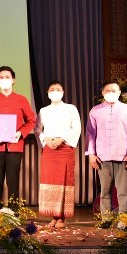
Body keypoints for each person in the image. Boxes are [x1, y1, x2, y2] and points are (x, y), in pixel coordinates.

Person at [86, 80, 127, 221]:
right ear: (102, 93)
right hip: (102, 157)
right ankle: (106, 220)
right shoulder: (95, 111)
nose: (110, 93)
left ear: (119, 93)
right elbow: (90, 133)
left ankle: (124, 221)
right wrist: (91, 154)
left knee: (123, 192)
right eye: (107, 91)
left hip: (124, 157)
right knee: (105, 192)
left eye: (113, 91)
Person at [0, 66, 36, 203]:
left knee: (13, 182)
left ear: (13, 80)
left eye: (7, 77)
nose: (4, 79)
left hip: (15, 146)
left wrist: (20, 133)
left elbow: (31, 120)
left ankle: (13, 211)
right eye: (1, 77)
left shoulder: (21, 99)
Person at [36, 81, 81, 229]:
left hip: (64, 147)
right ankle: (54, 216)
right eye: (52, 89)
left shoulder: (70, 108)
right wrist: (46, 139)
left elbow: (76, 128)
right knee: (51, 181)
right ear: (48, 92)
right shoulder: (43, 110)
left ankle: (61, 217)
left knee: (64, 180)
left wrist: (62, 138)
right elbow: (37, 129)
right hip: (49, 149)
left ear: (63, 92)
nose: (55, 91)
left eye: (58, 89)